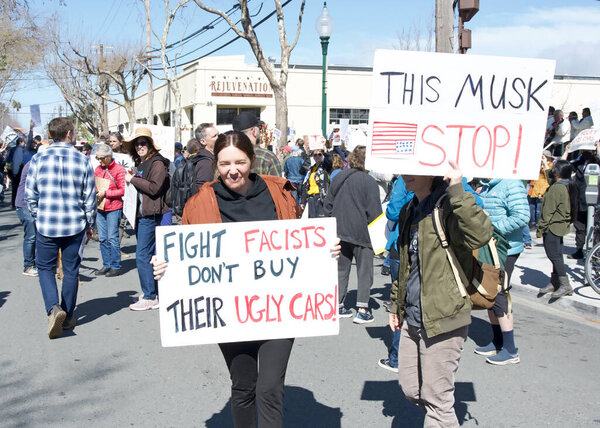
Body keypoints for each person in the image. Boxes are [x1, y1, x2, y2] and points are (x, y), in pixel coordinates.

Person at [153, 131, 340, 428]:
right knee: (243, 386)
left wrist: (325, 250)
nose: (233, 170)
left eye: (240, 161)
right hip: (230, 314)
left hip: (280, 309)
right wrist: (164, 266)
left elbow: (300, 244)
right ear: (217, 164)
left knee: (269, 388)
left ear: (252, 161)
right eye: (225, 163)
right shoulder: (199, 203)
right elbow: (183, 257)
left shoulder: (279, 193)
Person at [389, 161, 493, 427]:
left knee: (437, 400)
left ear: (433, 170)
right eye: (403, 169)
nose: (405, 174)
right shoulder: (409, 210)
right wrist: (395, 306)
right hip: (413, 317)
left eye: (413, 167)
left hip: (444, 316)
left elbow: (480, 234)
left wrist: (457, 189)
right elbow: (405, 263)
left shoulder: (447, 205)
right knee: (411, 389)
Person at [25, 117, 97, 339]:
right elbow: (89, 197)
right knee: (71, 270)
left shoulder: (39, 158)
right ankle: (67, 315)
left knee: (45, 268)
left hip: (47, 225)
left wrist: (39, 216)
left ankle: (53, 308)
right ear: (68, 134)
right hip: (74, 225)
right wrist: (89, 223)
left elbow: (30, 195)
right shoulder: (83, 160)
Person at [324, 146, 382, 323]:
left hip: (339, 229)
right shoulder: (369, 182)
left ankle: (338, 304)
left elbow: (328, 205)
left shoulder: (339, 176)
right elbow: (375, 212)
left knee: (341, 268)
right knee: (364, 270)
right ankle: (363, 309)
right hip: (362, 232)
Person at [475, 178, 529, 365]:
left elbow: (522, 216)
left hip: (506, 249)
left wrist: (492, 230)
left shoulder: (511, 183)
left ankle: (510, 349)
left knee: (499, 295)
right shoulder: (488, 185)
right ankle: (497, 342)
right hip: (491, 249)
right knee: (490, 294)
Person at [123, 127, 170, 311]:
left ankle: (150, 296)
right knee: (147, 255)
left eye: (143, 143)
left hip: (150, 215)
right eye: (136, 144)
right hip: (141, 215)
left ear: (150, 145)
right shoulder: (142, 164)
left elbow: (154, 188)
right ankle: (152, 292)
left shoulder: (157, 163)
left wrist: (132, 179)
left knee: (143, 256)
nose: (139, 146)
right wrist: (134, 176)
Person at [537, 160, 574, 298]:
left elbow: (548, 212)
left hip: (552, 227)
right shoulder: (565, 184)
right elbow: (551, 178)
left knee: (554, 256)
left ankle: (565, 285)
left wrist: (541, 229)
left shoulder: (556, 188)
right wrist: (546, 166)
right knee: (557, 256)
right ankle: (555, 282)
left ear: (558, 172)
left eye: (553, 168)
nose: (552, 170)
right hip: (559, 226)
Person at [15, 144, 50, 276]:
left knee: (37, 236)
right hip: (25, 205)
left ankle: (37, 262)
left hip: (32, 205)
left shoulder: (37, 165)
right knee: (31, 236)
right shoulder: (32, 166)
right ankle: (28, 265)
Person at [561, 142, 600, 259]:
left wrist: (598, 149)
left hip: (594, 201)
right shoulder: (579, 162)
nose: (585, 153)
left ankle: (594, 253)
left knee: (595, 228)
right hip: (579, 200)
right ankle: (579, 249)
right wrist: (567, 151)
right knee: (580, 227)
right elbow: (563, 165)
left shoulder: (596, 162)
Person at [94, 143, 126, 277]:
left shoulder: (119, 170)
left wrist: (106, 193)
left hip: (114, 207)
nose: (100, 161)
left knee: (112, 237)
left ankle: (115, 265)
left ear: (110, 156)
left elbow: (123, 190)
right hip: (100, 207)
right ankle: (106, 264)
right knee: (102, 238)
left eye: (102, 158)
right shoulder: (97, 169)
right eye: (98, 158)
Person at [232, 111, 283, 176]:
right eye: (259, 128)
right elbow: (277, 185)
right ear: (254, 131)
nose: (260, 131)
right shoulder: (268, 157)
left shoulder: (225, 154)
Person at [300, 148, 329, 218]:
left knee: (321, 219)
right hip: (311, 198)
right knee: (312, 220)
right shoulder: (311, 169)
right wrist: (303, 201)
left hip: (321, 197)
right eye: (315, 155)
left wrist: (324, 152)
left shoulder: (325, 167)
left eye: (319, 154)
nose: (317, 156)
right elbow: (305, 184)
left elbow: (329, 160)